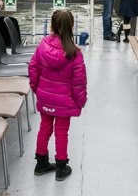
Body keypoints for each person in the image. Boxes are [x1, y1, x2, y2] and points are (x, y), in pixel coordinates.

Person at [28, 9, 87, 182]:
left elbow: (33, 69)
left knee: (44, 127)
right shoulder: (75, 53)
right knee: (62, 132)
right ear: (72, 26)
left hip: (45, 97)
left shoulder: (42, 46)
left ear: (52, 25)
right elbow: (79, 83)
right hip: (64, 102)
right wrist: (80, 102)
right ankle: (61, 168)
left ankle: (41, 163)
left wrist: (37, 90)